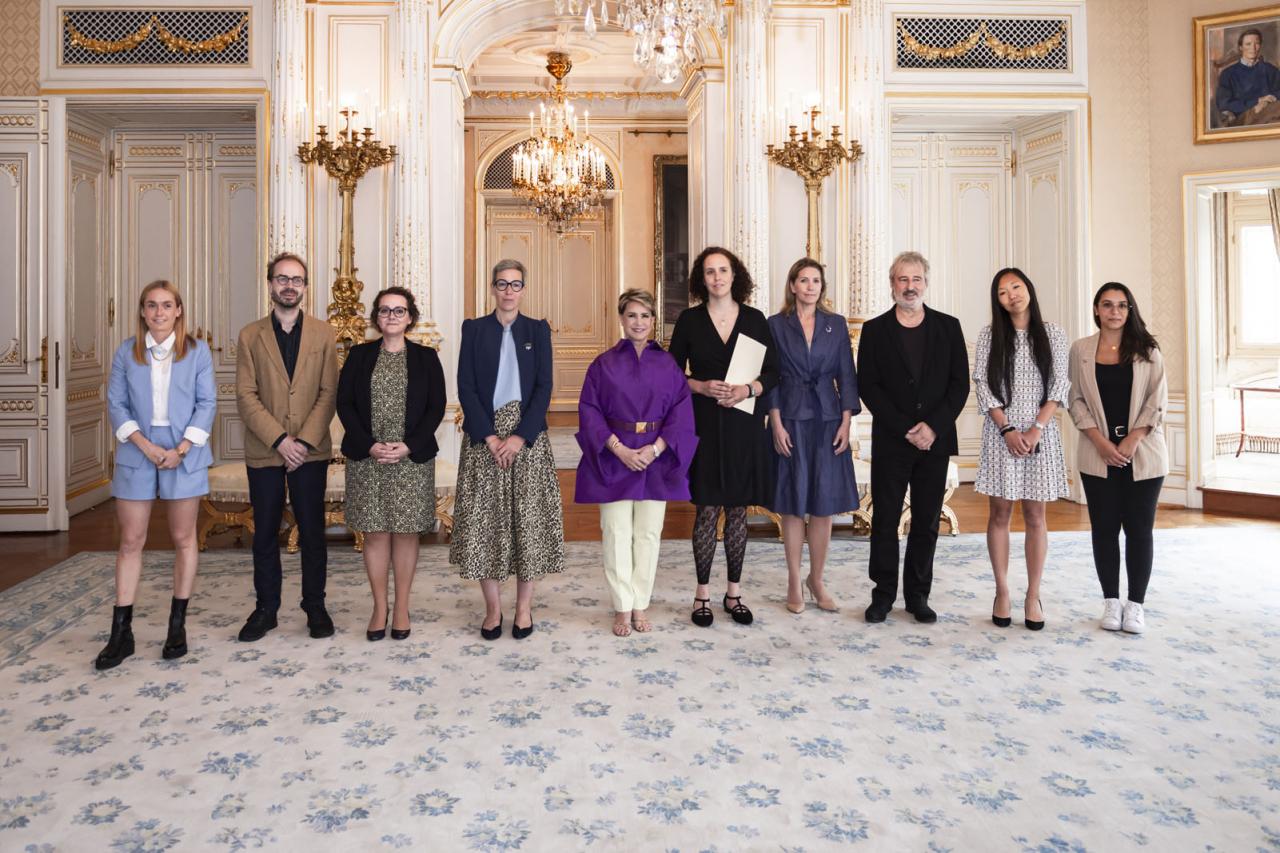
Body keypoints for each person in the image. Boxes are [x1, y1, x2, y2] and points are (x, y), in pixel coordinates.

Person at [98, 280, 216, 669]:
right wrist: (146, 447)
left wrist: (181, 449)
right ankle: (122, 633)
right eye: (152, 306)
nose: (159, 313)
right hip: (137, 450)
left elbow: (206, 402)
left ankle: (176, 627)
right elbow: (115, 403)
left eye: (167, 305)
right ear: (143, 312)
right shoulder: (125, 353)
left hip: (185, 451)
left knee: (184, 538)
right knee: (131, 541)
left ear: (179, 310)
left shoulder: (196, 353)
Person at [451, 259, 565, 640]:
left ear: (524, 289)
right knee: (485, 525)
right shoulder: (474, 329)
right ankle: (493, 609)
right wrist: (491, 437)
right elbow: (465, 386)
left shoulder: (537, 330)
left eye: (516, 284)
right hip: (485, 438)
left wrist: (519, 437)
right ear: (492, 287)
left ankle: (523, 608)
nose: (509, 291)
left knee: (528, 524)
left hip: (527, 438)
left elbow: (544, 387)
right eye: (502, 284)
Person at [856, 251, 969, 625]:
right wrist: (907, 426)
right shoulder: (874, 330)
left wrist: (932, 427)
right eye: (902, 280)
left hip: (934, 442)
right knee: (885, 521)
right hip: (892, 440)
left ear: (926, 282)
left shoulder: (949, 327)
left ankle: (918, 596)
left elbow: (959, 385)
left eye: (916, 279)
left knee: (926, 521)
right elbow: (868, 386)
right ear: (892, 284)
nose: (909, 286)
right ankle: (883, 595)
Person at [575, 289, 697, 636]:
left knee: (648, 534)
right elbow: (590, 411)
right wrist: (620, 450)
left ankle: (641, 602)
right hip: (615, 456)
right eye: (632, 315)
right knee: (615, 532)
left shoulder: (668, 364)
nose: (639, 322)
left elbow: (681, 412)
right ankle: (621, 605)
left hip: (655, 457)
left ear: (654, 320)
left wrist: (656, 450)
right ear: (621, 319)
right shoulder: (603, 364)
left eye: (645, 316)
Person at [668, 246, 778, 628]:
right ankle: (702, 594)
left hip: (743, 424)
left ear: (735, 276)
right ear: (702, 278)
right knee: (707, 509)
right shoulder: (690, 320)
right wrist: (698, 386)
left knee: (736, 511)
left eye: (723, 270)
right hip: (703, 424)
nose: (717, 277)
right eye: (710, 272)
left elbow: (774, 372)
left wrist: (748, 390)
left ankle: (734, 592)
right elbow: (670, 373)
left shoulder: (755, 319)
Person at [234, 252, 339, 642]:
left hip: (310, 452)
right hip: (266, 451)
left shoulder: (324, 334)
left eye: (296, 279)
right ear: (270, 285)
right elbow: (246, 396)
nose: (289, 285)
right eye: (282, 279)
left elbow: (328, 393)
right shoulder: (250, 335)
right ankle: (266, 609)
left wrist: (303, 441)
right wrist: (280, 440)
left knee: (312, 532)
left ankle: (315, 606)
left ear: (306, 287)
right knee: (264, 534)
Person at [337, 287, 446, 641]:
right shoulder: (359, 356)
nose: (392, 317)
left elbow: (436, 408)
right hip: (368, 458)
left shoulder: (427, 358)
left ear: (410, 317)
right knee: (375, 533)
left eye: (399, 311)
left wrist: (407, 446)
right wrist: (370, 446)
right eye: (385, 311)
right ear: (376, 317)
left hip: (410, 459)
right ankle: (379, 607)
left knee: (405, 533)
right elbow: (345, 405)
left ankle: (401, 607)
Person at [973, 268, 1070, 631]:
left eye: (1016, 286)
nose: (1011, 295)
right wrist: (1009, 429)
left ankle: (1032, 594)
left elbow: (1059, 384)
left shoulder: (1054, 334)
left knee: (1035, 517)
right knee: (999, 515)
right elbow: (983, 385)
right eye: (1002, 291)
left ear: (1028, 288)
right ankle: (1001, 591)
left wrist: (1035, 429)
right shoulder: (989, 337)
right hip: (1002, 436)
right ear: (997, 301)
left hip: (1040, 436)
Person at [1068, 282, 1168, 635]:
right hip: (1098, 456)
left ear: (1130, 310)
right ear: (1096, 309)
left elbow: (1158, 400)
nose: (1114, 311)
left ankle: (1135, 605)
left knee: (1140, 531)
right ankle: (1111, 601)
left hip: (1144, 457)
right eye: (1107, 305)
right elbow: (1075, 399)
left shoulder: (1148, 350)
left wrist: (1134, 438)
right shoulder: (1080, 350)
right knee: (1105, 530)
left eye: (1122, 305)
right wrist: (1100, 441)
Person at [765, 258, 860, 614]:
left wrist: (846, 421)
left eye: (815, 280)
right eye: (802, 280)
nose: (809, 286)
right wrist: (775, 422)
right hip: (789, 418)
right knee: (792, 505)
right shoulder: (775, 325)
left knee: (823, 507)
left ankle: (816, 579)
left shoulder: (836, 325)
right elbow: (769, 376)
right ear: (792, 286)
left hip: (828, 419)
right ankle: (794, 579)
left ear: (822, 287)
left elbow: (847, 377)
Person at [1215, 28, 1280, 127]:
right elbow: (1224, 103)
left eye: (1256, 43)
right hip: (1243, 117)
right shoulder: (1228, 74)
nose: (1253, 48)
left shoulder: (1270, 69)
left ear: (1260, 46)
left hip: (1270, 112)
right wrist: (1256, 102)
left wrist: (1268, 100)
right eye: (1248, 44)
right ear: (1241, 47)